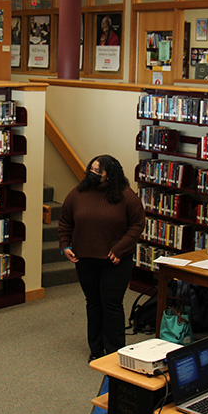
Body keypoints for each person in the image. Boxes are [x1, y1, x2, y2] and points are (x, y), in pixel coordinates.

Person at [58, 154, 145, 362]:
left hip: (115, 261)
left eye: (99, 171)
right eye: (92, 169)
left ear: (110, 175)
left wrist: (120, 248)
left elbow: (137, 224)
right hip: (85, 259)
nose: (93, 174)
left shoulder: (126, 195)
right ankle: (96, 350)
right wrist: (65, 246)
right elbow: (65, 222)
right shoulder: (77, 194)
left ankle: (114, 352)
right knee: (93, 303)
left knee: (112, 304)